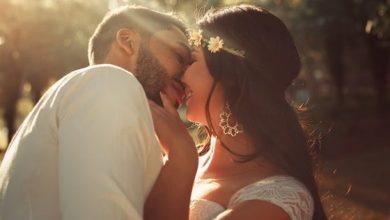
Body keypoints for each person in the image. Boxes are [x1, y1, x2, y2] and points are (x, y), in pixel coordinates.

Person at [0, 5, 192, 220]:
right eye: (179, 56)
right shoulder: (109, 82)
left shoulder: (93, 97)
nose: (188, 79)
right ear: (128, 42)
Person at [146, 4, 327, 220]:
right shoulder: (169, 158)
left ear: (231, 73)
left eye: (191, 61)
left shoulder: (279, 196)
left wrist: (180, 156)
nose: (179, 75)